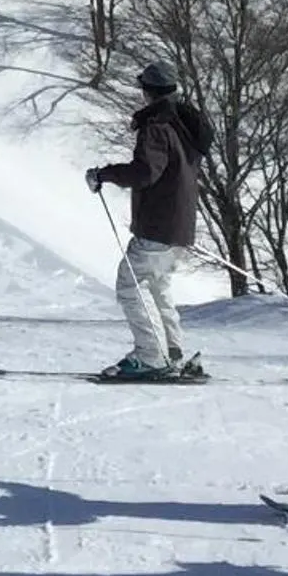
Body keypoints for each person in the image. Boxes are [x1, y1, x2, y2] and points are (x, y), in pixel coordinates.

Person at [86, 61, 214, 381]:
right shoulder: (185, 124)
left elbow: (145, 172)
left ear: (149, 92)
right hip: (180, 226)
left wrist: (104, 174)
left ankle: (150, 356)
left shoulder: (156, 125)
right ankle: (173, 352)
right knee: (158, 287)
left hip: (158, 223)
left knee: (130, 285)